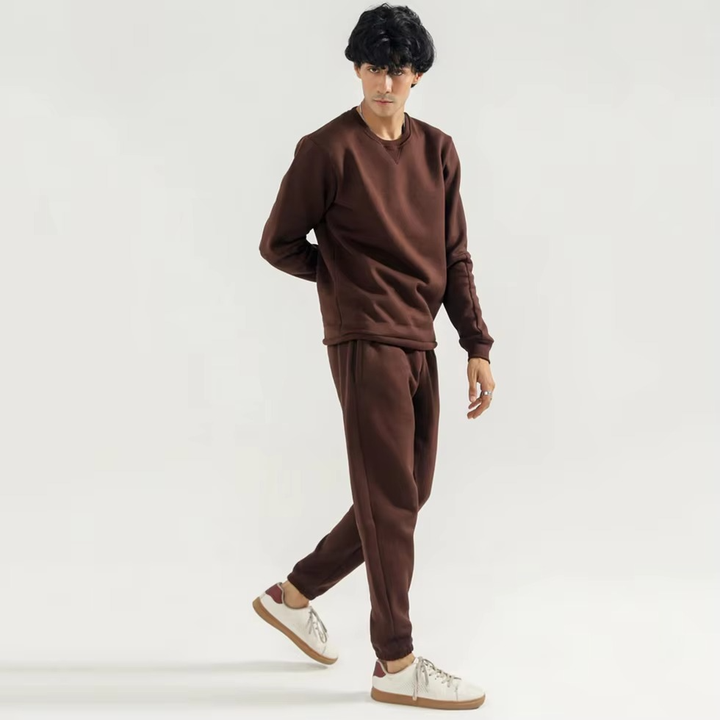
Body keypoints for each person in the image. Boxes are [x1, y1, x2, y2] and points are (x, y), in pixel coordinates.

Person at [253, 2, 495, 710]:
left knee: (406, 494)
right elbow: (278, 243)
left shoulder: (438, 151)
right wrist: (346, 281)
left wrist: (476, 343)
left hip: (421, 336)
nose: (383, 83)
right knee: (390, 500)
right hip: (364, 337)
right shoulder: (326, 150)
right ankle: (396, 660)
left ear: (417, 75)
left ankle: (294, 594)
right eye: (371, 68)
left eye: (396, 69)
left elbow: (455, 255)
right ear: (356, 70)